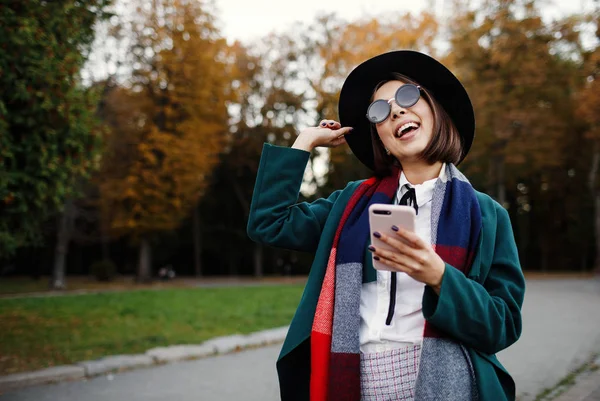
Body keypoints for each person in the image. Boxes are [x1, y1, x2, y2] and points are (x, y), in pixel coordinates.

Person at [247, 50, 525, 401]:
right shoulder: (351, 204)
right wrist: (305, 143)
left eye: (408, 96)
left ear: (437, 110)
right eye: (379, 111)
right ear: (381, 138)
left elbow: (503, 325)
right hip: (353, 381)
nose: (395, 110)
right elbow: (270, 223)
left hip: (446, 385)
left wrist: (440, 277)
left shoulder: (487, 214)